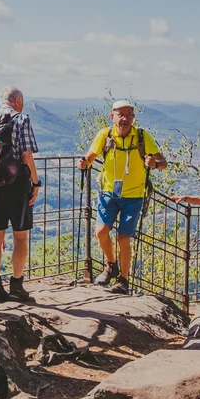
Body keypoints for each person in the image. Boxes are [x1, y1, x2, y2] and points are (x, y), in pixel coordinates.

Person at [77, 100, 167, 295]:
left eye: (129, 115)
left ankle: (123, 280)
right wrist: (84, 163)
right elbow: (90, 157)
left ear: (133, 117)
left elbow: (163, 163)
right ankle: (111, 265)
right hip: (109, 193)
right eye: (121, 115)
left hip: (134, 195)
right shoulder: (105, 135)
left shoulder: (142, 136)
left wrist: (154, 164)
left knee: (123, 238)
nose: (125, 119)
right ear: (113, 117)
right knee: (101, 232)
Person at [0, 87, 40, 303]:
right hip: (17, 185)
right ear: (16, 100)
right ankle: (16, 286)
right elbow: (26, 155)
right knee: (20, 235)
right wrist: (36, 182)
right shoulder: (21, 119)